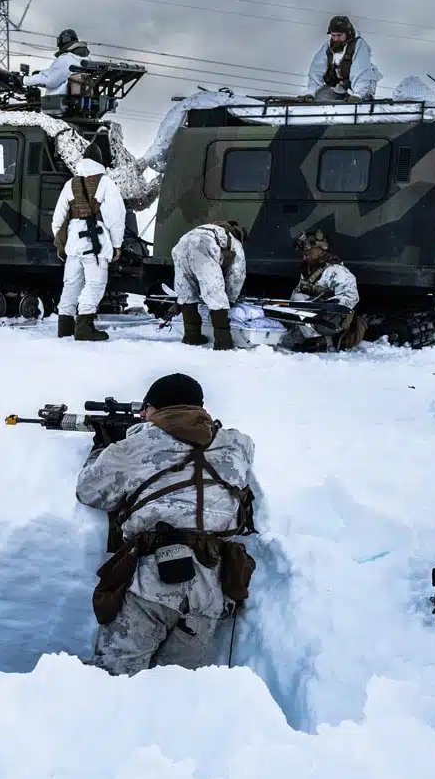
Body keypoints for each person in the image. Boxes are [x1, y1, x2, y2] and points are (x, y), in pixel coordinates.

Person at [75, 373, 261, 675]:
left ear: (152, 410)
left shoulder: (137, 446)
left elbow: (90, 491)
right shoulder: (236, 445)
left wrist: (103, 447)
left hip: (151, 585)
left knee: (113, 681)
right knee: (174, 692)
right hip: (211, 592)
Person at [51, 154, 128, 341]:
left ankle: (65, 325)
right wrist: (117, 244)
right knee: (95, 284)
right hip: (96, 241)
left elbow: (58, 217)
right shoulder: (105, 183)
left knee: (71, 284)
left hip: (73, 240)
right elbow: (116, 216)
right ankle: (84, 327)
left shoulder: (70, 183)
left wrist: (61, 241)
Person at [171, 218, 249, 350]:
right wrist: (229, 299)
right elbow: (237, 274)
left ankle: (192, 336)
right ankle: (223, 343)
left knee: (186, 293)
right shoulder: (234, 241)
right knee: (215, 294)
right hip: (203, 246)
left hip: (181, 244)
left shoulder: (211, 229)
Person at [280, 230, 363, 352]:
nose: (304, 257)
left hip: (330, 320)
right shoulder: (310, 272)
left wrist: (328, 305)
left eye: (307, 253)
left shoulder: (336, 271)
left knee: (301, 301)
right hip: (310, 320)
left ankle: (322, 341)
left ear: (320, 250)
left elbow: (351, 297)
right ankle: (309, 339)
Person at [307, 16, 381, 101]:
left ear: (348, 33)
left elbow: (361, 71)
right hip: (339, 87)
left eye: (339, 35)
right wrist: (310, 92)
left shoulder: (359, 45)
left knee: (353, 108)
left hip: (362, 87)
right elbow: (317, 70)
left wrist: (357, 94)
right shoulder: (328, 47)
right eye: (333, 35)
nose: (336, 39)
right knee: (319, 102)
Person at [26, 28, 91, 99]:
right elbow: (60, 73)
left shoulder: (66, 58)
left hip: (61, 103)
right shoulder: (87, 59)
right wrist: (42, 73)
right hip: (83, 100)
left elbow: (50, 80)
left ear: (66, 40)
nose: (59, 44)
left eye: (60, 40)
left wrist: (25, 80)